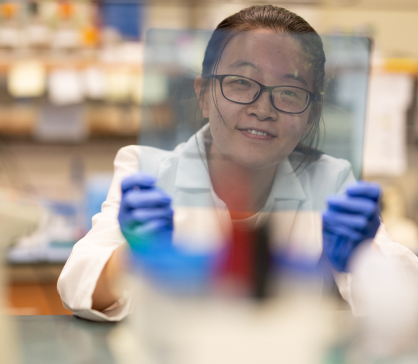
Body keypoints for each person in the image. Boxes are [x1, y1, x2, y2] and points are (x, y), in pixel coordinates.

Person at [58, 5, 418, 322]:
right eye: (241, 83)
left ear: (312, 114)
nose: (262, 108)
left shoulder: (330, 179)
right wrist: (136, 257)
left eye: (289, 91)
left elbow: (407, 300)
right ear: (203, 95)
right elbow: (78, 282)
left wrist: (362, 257)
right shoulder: (149, 170)